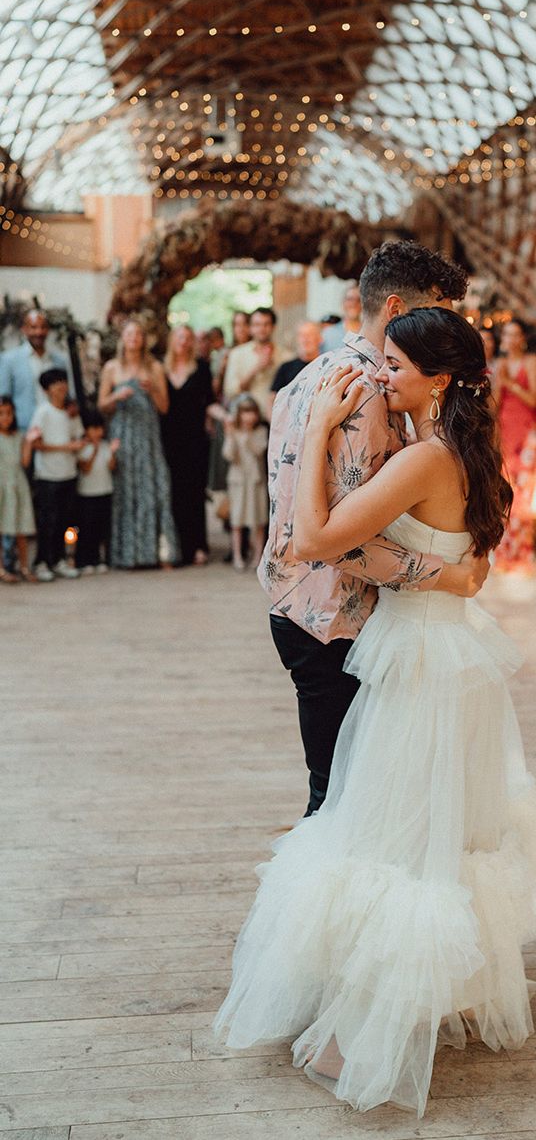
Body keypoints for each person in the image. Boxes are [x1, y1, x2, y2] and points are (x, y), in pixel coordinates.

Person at [215, 309, 536, 1117]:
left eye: (394, 364)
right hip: (454, 657)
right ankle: (437, 997)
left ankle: (359, 1035)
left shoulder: (425, 456)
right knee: (440, 836)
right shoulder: (469, 451)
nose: (380, 375)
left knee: (383, 839)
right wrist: (441, 575)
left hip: (418, 669)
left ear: (437, 378)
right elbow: (475, 560)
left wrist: (321, 426)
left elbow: (316, 538)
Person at [258, 240, 487, 817]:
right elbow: (342, 542)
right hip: (335, 616)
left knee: (340, 791)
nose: (443, 325)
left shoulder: (313, 375)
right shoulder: (367, 391)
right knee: (340, 802)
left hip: (294, 602)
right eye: (433, 309)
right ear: (393, 309)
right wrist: (448, 575)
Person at [98, 317, 176, 569]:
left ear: (143, 340)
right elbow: (101, 405)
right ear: (123, 338)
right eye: (129, 334)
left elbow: (164, 407)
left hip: (147, 436)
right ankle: (126, 555)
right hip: (123, 434)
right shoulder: (111, 368)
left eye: (138, 334)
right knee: (125, 491)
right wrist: (116, 395)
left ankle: (153, 553)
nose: (134, 339)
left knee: (153, 490)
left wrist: (152, 389)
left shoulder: (154, 366)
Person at [0, 309, 74, 573]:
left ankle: (52, 558)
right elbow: (4, 398)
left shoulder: (59, 359)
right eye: (33, 327)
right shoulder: (9, 360)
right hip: (23, 439)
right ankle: (13, 562)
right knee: (19, 498)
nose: (38, 332)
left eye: (42, 327)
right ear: (24, 329)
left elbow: (70, 397)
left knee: (52, 503)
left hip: (55, 441)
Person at [161, 324, 213, 566]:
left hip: (194, 439)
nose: (183, 341)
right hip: (167, 438)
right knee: (173, 492)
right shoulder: (160, 368)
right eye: (180, 337)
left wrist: (226, 418)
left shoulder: (202, 368)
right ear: (172, 340)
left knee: (194, 492)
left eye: (188, 337)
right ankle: (177, 546)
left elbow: (210, 402)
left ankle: (198, 545)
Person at [30, 368, 85, 581]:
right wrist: (65, 447)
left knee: (65, 519)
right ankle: (42, 561)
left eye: (63, 381)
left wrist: (76, 446)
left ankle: (59, 559)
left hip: (68, 473)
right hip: (47, 475)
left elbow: (78, 436)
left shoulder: (71, 413)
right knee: (47, 521)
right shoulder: (43, 412)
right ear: (47, 389)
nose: (61, 387)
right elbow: (36, 443)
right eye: (55, 383)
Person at [493, 318, 536, 572]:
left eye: (513, 335)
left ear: (522, 338)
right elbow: (496, 403)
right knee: (505, 492)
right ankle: (505, 554)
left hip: (527, 432)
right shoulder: (500, 363)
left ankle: (524, 553)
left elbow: (533, 399)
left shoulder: (530, 362)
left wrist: (511, 383)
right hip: (505, 431)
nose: (509, 339)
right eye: (505, 335)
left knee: (525, 493)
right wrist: (500, 383)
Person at [222, 395, 268, 571]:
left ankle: (258, 556)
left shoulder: (261, 431)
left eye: (252, 412)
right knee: (237, 521)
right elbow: (229, 455)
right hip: (238, 482)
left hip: (256, 481)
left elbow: (258, 450)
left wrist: (246, 435)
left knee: (258, 521)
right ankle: (237, 556)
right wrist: (230, 435)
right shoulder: (233, 432)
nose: (249, 417)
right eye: (245, 412)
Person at [223, 307, 288, 420]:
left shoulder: (286, 356)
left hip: (276, 419)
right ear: (250, 328)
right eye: (257, 325)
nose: (262, 329)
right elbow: (230, 391)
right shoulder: (237, 354)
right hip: (246, 423)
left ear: (273, 327)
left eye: (266, 324)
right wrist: (256, 368)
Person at [76, 410, 119, 575]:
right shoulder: (83, 448)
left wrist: (113, 453)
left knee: (102, 528)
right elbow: (85, 468)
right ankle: (85, 560)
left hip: (105, 491)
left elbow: (112, 467)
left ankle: (101, 559)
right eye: (93, 428)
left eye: (99, 428)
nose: (97, 432)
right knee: (87, 529)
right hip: (87, 494)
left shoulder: (106, 446)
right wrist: (93, 451)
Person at [0, 395, 36, 583]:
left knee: (21, 527)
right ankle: (2, 569)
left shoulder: (18, 437)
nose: (6, 418)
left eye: (9, 414)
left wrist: (29, 443)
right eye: (1, 414)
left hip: (18, 483)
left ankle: (24, 566)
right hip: (2, 484)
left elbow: (24, 462)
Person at [268, 321, 321, 416]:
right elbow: (272, 400)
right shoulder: (286, 368)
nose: (306, 339)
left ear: (320, 338)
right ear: (297, 339)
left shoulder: (329, 367)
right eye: (302, 335)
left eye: (310, 335)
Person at [320, 282, 361, 352]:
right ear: (343, 303)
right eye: (350, 299)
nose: (354, 303)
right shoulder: (328, 335)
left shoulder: (370, 333)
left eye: (358, 300)